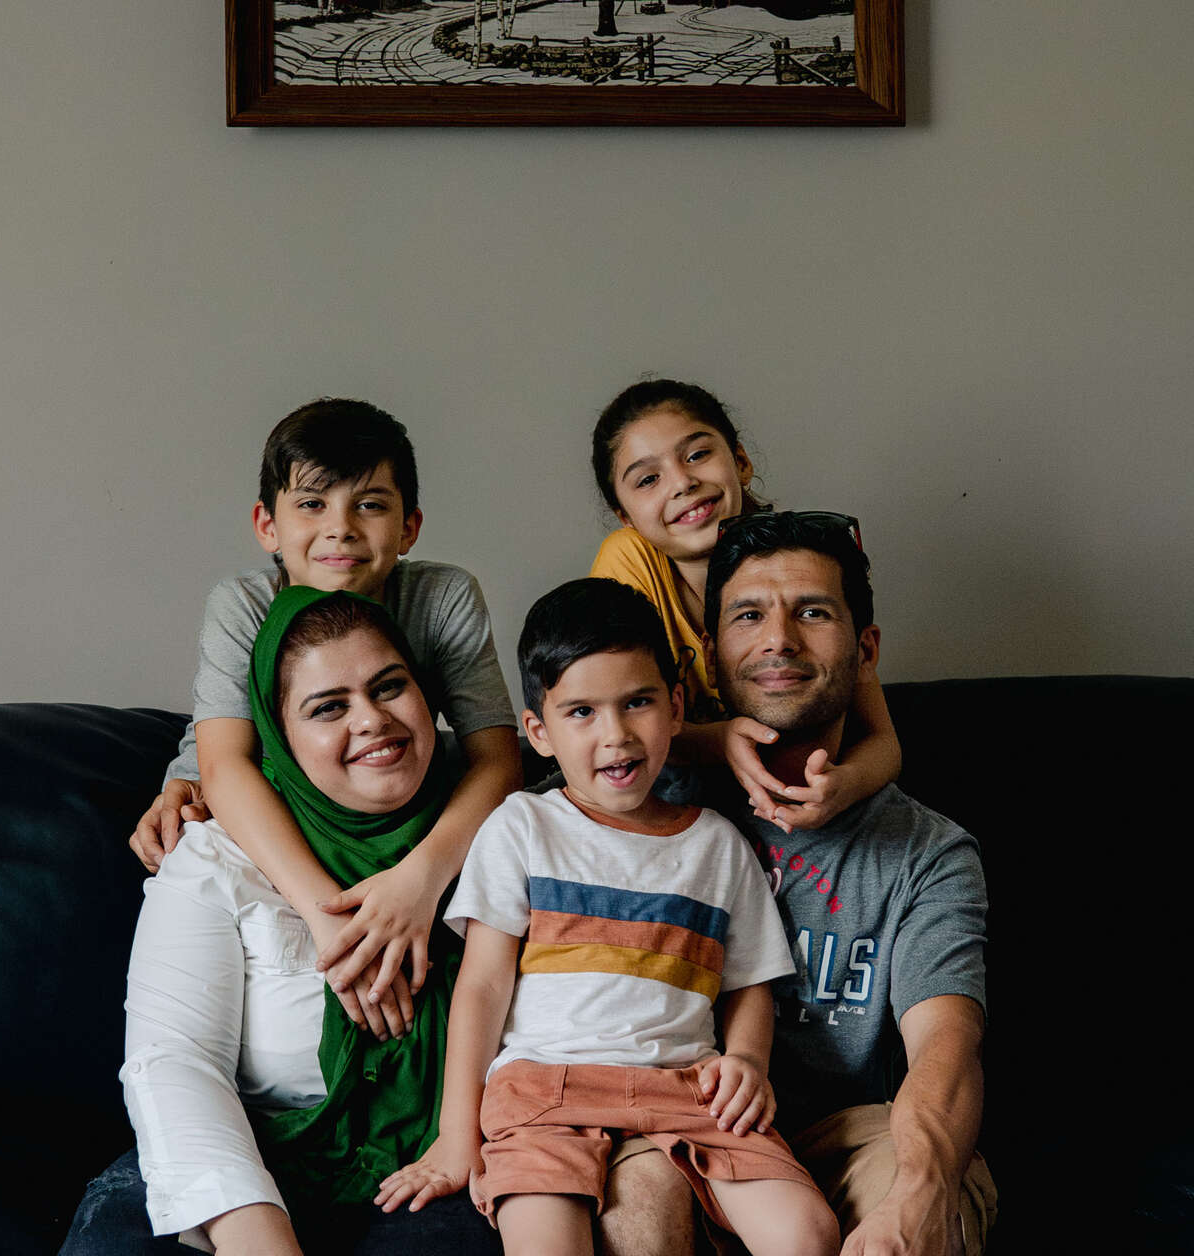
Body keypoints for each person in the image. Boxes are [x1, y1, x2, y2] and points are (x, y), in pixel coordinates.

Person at [374, 578, 841, 1256]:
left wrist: (746, 1060)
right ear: (538, 731)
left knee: (809, 1231)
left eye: (638, 703)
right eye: (582, 713)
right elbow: (480, 987)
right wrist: (456, 1136)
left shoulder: (718, 844)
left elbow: (748, 986)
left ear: (676, 706)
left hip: (691, 1089)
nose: (616, 736)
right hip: (545, 1090)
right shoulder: (523, 827)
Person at [62, 587, 502, 1256]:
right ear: (279, 735)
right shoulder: (214, 854)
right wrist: (254, 1234)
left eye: (390, 688)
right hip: (246, 1153)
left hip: (434, 1165)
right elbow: (174, 1061)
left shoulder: (511, 838)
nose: (373, 721)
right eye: (329, 707)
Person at [635, 509, 997, 1255]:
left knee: (929, 1204)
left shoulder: (928, 852)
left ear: (865, 649)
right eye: (748, 615)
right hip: (670, 1113)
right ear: (709, 651)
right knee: (631, 1212)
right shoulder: (635, 797)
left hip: (846, 1130)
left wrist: (920, 1193)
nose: (778, 639)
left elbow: (945, 1046)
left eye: (812, 612)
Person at [128, 398, 522, 1028]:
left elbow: (498, 758)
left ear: (410, 525)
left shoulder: (441, 596)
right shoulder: (246, 605)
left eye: (370, 504)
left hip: (403, 809)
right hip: (299, 819)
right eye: (312, 503)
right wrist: (326, 919)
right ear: (267, 526)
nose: (340, 528)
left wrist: (420, 881)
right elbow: (226, 761)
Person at [588, 378, 901, 833]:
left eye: (697, 455)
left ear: (740, 461)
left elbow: (882, 740)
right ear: (625, 514)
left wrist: (842, 787)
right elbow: (612, 722)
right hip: (673, 807)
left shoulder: (799, 559)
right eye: (649, 479)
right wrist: (715, 741)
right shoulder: (629, 563)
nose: (683, 482)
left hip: (794, 803)